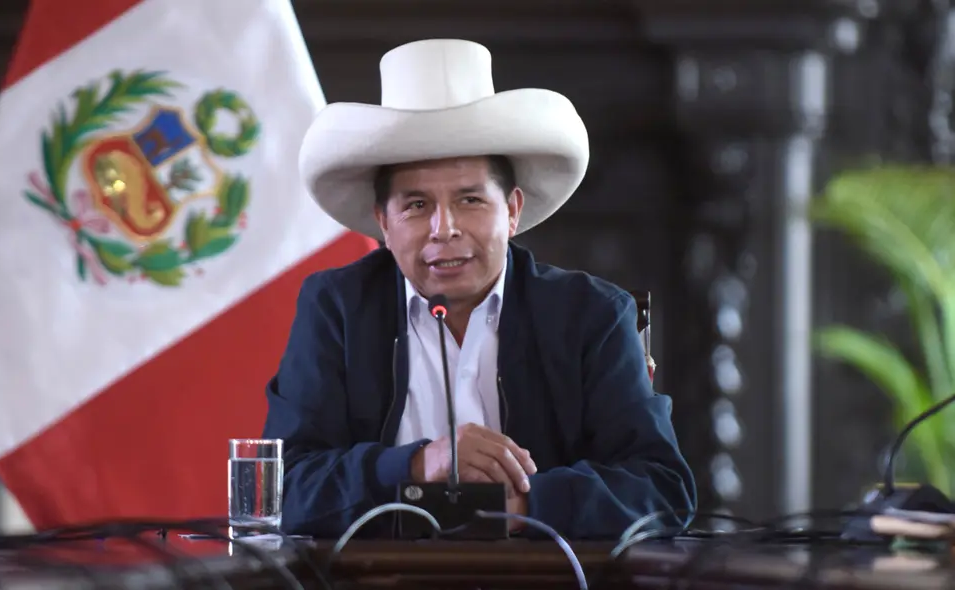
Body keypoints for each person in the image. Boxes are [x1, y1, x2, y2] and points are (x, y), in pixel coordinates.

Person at [262, 38, 696, 540]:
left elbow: (661, 488)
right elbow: (284, 489)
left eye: (470, 199)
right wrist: (417, 464)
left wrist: (524, 503)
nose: (444, 229)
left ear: (512, 211)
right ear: (383, 221)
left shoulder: (592, 314)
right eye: (417, 206)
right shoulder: (336, 307)